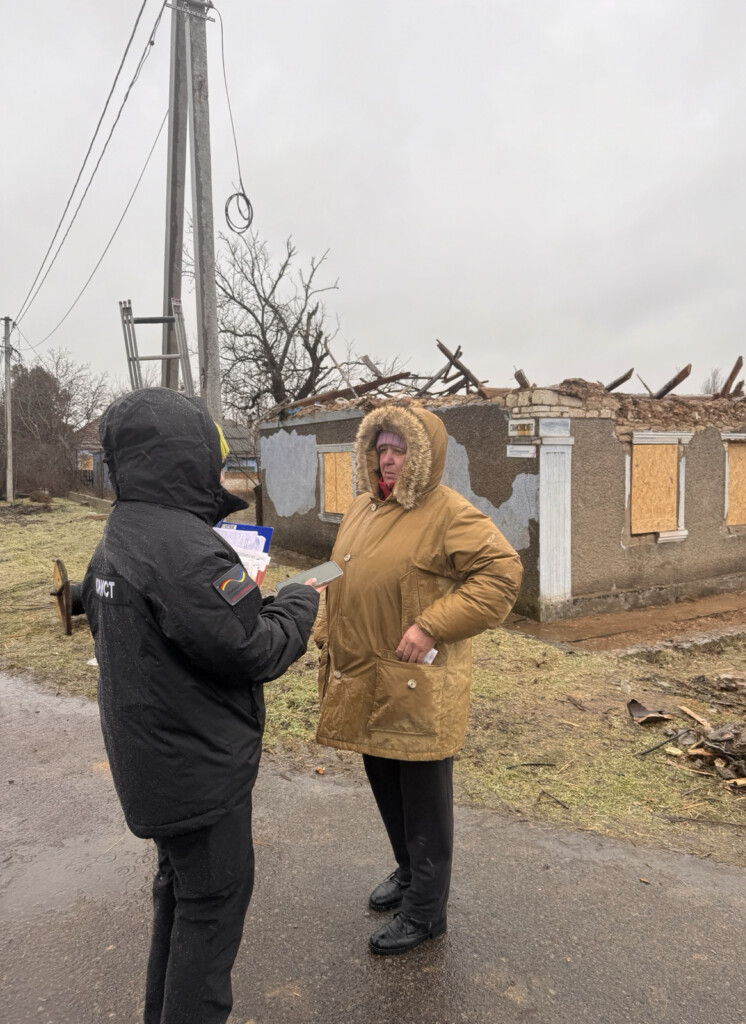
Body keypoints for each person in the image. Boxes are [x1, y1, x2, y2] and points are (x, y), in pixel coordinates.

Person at [81, 388, 321, 1024]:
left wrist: (239, 598)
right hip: (197, 774)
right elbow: (252, 650)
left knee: (181, 900)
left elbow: (185, 628)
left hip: (156, 769)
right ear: (186, 459)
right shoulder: (185, 549)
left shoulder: (122, 533)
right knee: (210, 916)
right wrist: (298, 602)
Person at [314, 401, 523, 955]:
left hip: (415, 682)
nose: (387, 459)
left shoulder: (449, 513)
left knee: (424, 800)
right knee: (386, 785)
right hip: (363, 676)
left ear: (423, 456)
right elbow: (337, 570)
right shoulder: (362, 507)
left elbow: (502, 577)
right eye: (380, 448)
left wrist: (432, 625)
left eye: (400, 449)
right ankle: (409, 875)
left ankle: (427, 912)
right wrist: (317, 618)